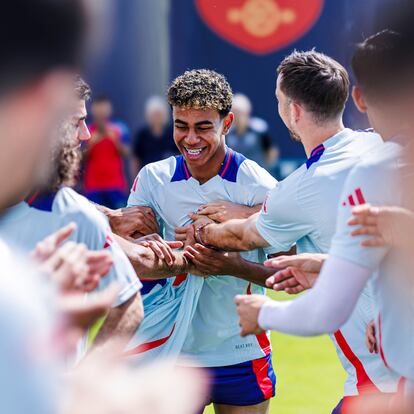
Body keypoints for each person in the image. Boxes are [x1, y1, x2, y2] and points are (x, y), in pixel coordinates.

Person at [186, 51, 399, 411]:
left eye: (279, 100)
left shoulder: (303, 186)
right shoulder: (379, 145)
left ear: (294, 112)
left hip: (382, 376)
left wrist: (203, 231)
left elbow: (243, 237)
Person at [236, 30, 414, 405]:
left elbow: (325, 310)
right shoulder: (371, 154)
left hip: (388, 384)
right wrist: (331, 263)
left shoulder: (370, 170)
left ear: (360, 99)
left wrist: (262, 312)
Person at [125, 69, 278, 414]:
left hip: (240, 347)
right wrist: (176, 251)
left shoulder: (258, 185)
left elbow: (290, 269)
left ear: (227, 123)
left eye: (203, 127)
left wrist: (234, 254)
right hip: (172, 348)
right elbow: (132, 258)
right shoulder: (154, 178)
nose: (190, 139)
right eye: (182, 125)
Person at [82, 95, 129, 209]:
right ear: (93, 110)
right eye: (99, 109)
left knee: (119, 220)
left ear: (109, 109)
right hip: (93, 186)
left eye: (104, 108)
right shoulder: (87, 130)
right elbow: (80, 157)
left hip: (115, 185)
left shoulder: (119, 128)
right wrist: (91, 144)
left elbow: (127, 152)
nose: (102, 112)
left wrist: (115, 140)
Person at [226, 93, 279, 169]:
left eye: (239, 113)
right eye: (234, 112)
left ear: (247, 112)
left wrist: (265, 170)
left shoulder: (260, 130)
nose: (237, 116)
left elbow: (271, 152)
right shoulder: (227, 133)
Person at [132, 95, 177, 174]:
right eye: (154, 115)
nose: (156, 118)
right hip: (147, 177)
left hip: (169, 177)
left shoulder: (173, 133)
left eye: (158, 114)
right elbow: (135, 159)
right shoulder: (142, 134)